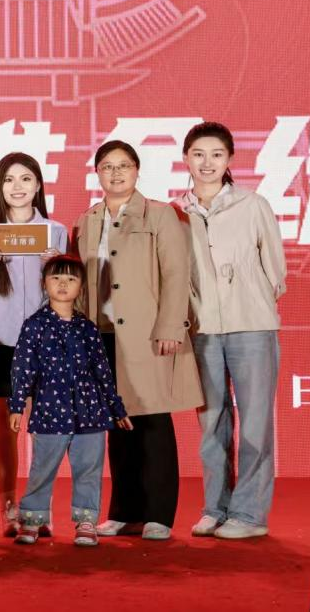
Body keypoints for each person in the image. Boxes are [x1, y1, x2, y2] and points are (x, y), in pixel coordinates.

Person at [70, 140, 203, 541]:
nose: (115, 173)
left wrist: (171, 326)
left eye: (123, 166)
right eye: (107, 167)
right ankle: (124, 512)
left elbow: (176, 274)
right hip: (102, 335)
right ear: (97, 173)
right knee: (117, 424)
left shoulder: (160, 215)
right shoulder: (88, 220)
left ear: (137, 170)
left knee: (153, 421)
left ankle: (159, 514)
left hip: (147, 334)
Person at [174, 122, 286, 539]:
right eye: (199, 154)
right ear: (186, 159)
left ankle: (250, 515)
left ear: (229, 160)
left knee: (255, 423)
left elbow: (275, 270)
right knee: (211, 422)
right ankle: (215, 508)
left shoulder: (253, 205)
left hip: (251, 326)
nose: (207, 163)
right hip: (201, 329)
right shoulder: (175, 213)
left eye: (217, 155)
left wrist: (251, 300)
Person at [0, 152, 66, 536]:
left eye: (26, 179)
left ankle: (39, 507)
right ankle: (8, 507)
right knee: (4, 430)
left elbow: (69, 293)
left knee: (47, 430)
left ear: (38, 185)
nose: (18, 187)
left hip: (46, 342)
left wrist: (55, 269)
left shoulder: (56, 232)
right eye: (9, 180)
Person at [8, 256, 132, 547]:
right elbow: (22, 368)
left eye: (71, 279)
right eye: (56, 278)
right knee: (42, 470)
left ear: (81, 287)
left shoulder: (87, 327)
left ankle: (86, 522)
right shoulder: (34, 326)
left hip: (91, 414)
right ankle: (32, 521)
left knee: (89, 471)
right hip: (49, 412)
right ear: (44, 283)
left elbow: (102, 371)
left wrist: (116, 408)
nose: (63, 284)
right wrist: (16, 406)